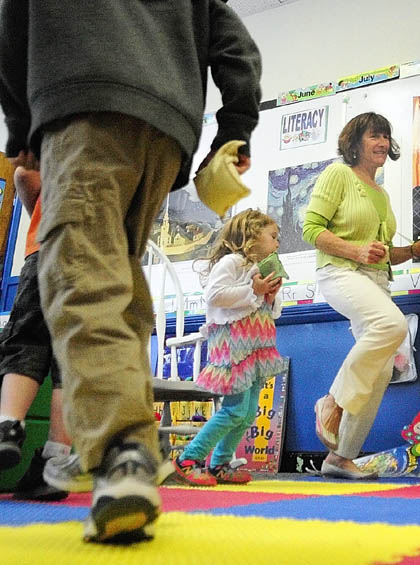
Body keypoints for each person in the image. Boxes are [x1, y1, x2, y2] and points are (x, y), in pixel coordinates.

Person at [0, 0, 261, 543]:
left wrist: (21, 128)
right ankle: (128, 439)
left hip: (83, 100)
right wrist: (233, 126)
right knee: (118, 280)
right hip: (167, 131)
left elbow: (12, 26)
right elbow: (234, 42)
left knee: (78, 281)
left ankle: (126, 453)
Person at [302, 112, 420, 480]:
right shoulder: (338, 175)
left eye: (386, 137)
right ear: (355, 142)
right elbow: (311, 229)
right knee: (392, 324)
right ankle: (332, 402)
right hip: (340, 272)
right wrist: (357, 251)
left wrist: (413, 250)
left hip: (375, 281)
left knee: (379, 372)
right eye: (374, 136)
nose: (382, 143)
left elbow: (382, 252)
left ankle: (340, 457)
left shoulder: (381, 193)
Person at [172, 209, 283, 487]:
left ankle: (220, 463)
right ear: (251, 236)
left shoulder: (258, 269)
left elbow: (272, 312)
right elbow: (214, 295)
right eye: (273, 236)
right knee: (234, 410)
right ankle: (189, 458)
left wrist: (269, 295)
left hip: (255, 348)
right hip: (234, 347)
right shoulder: (233, 262)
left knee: (247, 414)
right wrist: (253, 290)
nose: (277, 242)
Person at [0, 166, 70, 501]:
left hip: (45, 248)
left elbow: (25, 175)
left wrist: (37, 209)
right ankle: (56, 461)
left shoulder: (56, 134)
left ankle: (9, 425)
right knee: (68, 363)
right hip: (97, 260)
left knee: (26, 340)